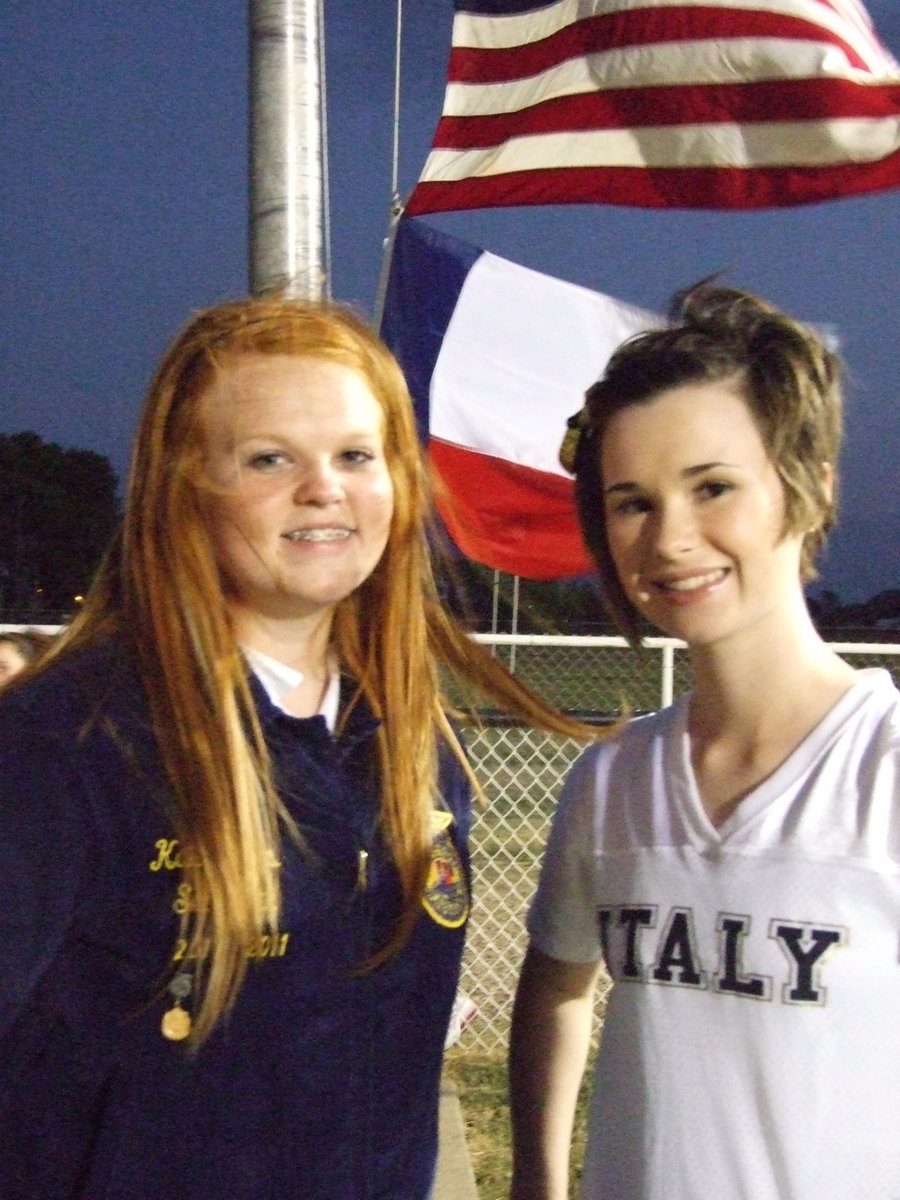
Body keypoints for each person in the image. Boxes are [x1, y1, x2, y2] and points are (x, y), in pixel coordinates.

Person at [0, 295, 593, 1200]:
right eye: (269, 458)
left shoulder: (412, 748)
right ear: (184, 483)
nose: (325, 488)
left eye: (356, 455)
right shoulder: (67, 744)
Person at [508, 283, 900, 1200]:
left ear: (809, 485)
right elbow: (559, 987)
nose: (672, 539)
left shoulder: (883, 766)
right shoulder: (611, 779)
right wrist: (538, 1181)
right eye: (632, 502)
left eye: (713, 486)